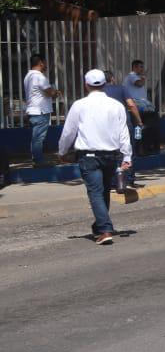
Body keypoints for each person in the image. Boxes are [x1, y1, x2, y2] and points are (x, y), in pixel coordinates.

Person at [57, 69, 132, 245]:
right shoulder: (116, 105)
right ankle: (100, 226)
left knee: (96, 193)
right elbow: (124, 133)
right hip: (111, 156)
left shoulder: (79, 105)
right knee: (104, 191)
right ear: (105, 84)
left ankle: (105, 230)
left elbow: (68, 132)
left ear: (86, 85)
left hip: (88, 156)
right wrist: (127, 156)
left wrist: (62, 152)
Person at [24, 53, 60, 167]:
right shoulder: (39, 76)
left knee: (36, 138)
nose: (46, 65)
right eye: (45, 62)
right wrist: (56, 92)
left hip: (32, 111)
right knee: (38, 138)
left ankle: (36, 159)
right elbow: (50, 92)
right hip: (40, 112)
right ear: (40, 63)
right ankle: (39, 161)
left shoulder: (28, 76)